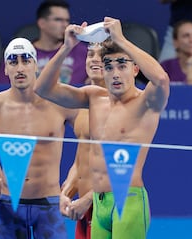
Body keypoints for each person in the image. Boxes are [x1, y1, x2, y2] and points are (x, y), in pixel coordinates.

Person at [34, 17, 170, 239]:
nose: (115, 73)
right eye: (109, 67)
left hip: (128, 201)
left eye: (122, 66)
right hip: (98, 206)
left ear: (135, 69)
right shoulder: (93, 97)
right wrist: (66, 47)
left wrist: (121, 40)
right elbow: (42, 89)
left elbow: (162, 80)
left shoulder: (146, 102)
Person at [0, 37, 78, 239]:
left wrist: (73, 180)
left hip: (49, 203)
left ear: (35, 65)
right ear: (5, 69)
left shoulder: (59, 103)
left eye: (25, 60)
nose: (20, 68)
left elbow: (89, 140)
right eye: (13, 62)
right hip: (10, 202)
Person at [60, 42, 106, 239]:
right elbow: (82, 160)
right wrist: (67, 191)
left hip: (109, 205)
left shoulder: (121, 104)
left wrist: (89, 198)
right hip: (85, 209)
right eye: (90, 54)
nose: (94, 59)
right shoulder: (82, 105)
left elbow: (123, 165)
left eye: (102, 55)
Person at [0, 0, 88, 85]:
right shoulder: (19, 54)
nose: (65, 25)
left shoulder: (82, 52)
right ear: (42, 23)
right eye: (58, 20)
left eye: (67, 20)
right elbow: (2, 88)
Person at [160, 20, 192, 85]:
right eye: (186, 36)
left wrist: (190, 64)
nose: (191, 40)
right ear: (176, 42)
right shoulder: (166, 67)